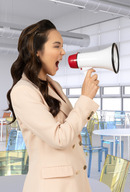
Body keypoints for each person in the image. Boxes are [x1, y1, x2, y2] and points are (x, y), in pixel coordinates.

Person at [6, 19, 99, 192]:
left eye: (62, 46)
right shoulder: (22, 91)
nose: (63, 52)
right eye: (57, 46)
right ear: (37, 52)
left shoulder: (53, 85)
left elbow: (72, 127)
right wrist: (85, 99)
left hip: (74, 183)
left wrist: (86, 99)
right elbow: (59, 138)